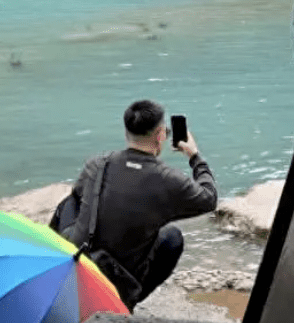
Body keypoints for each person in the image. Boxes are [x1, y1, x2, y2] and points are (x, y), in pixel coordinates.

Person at [52, 99, 217, 309]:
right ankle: (127, 302)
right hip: (120, 281)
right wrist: (194, 156)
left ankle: (54, 272)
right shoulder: (169, 180)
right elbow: (209, 198)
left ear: (126, 133)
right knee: (172, 237)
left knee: (67, 203)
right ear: (160, 136)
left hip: (81, 266)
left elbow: (78, 196)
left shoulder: (97, 164)